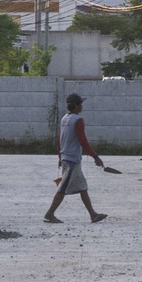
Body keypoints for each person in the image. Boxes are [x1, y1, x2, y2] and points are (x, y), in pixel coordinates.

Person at [44, 92, 107, 224]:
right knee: (62, 188)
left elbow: (59, 140)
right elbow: (82, 141)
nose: (82, 106)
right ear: (76, 106)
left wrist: (59, 156)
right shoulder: (78, 120)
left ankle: (93, 215)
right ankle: (49, 214)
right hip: (72, 159)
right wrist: (96, 157)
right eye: (81, 103)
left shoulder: (64, 119)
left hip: (67, 158)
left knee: (82, 187)